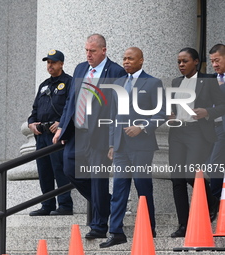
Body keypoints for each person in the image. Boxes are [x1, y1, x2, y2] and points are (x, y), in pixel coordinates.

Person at [53, 34, 126, 239]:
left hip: (100, 135)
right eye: (86, 50)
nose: (88, 55)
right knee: (69, 168)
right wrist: (62, 128)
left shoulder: (116, 71)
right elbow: (70, 101)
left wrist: (113, 141)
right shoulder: (80, 69)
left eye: (92, 51)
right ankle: (107, 202)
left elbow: (118, 108)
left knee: (98, 179)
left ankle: (99, 226)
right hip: (77, 133)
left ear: (103, 50)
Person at [99, 47, 165, 248]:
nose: (126, 61)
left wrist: (142, 127)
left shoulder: (153, 83)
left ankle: (148, 227)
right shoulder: (118, 83)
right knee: (119, 190)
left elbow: (161, 112)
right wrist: (111, 144)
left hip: (142, 146)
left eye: (130, 58)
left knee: (143, 188)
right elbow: (113, 116)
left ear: (141, 61)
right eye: (124, 58)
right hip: (120, 147)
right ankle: (116, 231)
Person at [168, 48, 225, 238]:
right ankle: (183, 224)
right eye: (179, 62)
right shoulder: (176, 82)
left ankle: (212, 201)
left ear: (196, 62)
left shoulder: (208, 80)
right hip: (177, 133)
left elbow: (223, 105)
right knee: (177, 179)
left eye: (185, 61)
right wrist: (170, 114)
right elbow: (171, 107)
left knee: (191, 174)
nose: (181, 65)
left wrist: (207, 111)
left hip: (198, 133)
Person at [28, 49, 73, 216]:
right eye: (48, 62)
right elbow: (35, 109)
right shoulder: (44, 85)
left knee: (59, 169)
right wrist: (31, 123)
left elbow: (73, 108)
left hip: (57, 134)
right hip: (42, 134)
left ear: (61, 63)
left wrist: (61, 124)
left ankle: (65, 205)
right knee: (44, 170)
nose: (50, 65)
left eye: (53, 62)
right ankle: (47, 204)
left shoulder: (69, 83)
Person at [208, 44, 225, 199]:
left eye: (217, 60)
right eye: (212, 61)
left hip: (222, 129)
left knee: (214, 165)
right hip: (210, 129)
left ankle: (214, 203)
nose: (214, 64)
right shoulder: (211, 79)